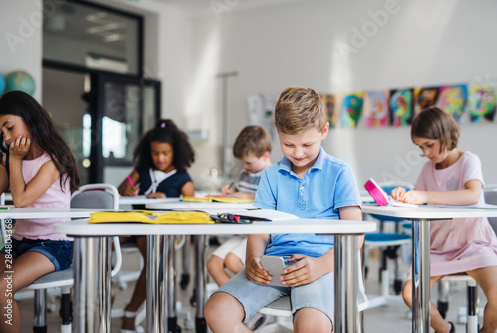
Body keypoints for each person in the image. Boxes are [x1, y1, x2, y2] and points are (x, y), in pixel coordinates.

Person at [204, 86, 363, 333]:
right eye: (289, 144)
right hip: (275, 266)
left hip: (322, 266)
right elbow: (260, 230)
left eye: (306, 144)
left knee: (312, 325)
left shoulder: (340, 173)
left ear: (324, 131)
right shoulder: (270, 176)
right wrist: (252, 259)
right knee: (216, 310)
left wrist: (320, 265)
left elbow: (356, 235)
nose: (298, 153)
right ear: (276, 129)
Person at [391, 106, 497, 333]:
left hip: (473, 244)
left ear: (446, 135)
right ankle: (444, 329)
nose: (426, 152)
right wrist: (404, 195)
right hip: (438, 248)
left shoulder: (469, 161)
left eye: (429, 145)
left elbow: (472, 195)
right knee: (411, 294)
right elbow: (417, 200)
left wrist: (425, 195)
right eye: (421, 147)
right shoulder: (428, 169)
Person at [0, 91, 80, 333]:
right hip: (18, 243)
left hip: (54, 245)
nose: (6, 136)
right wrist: (8, 159)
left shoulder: (53, 160)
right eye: (1, 132)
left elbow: (21, 200)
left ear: (30, 119)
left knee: (2, 288)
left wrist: (14, 159)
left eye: (9, 127)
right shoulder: (9, 157)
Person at [117, 118, 195, 332]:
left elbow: (191, 208)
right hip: (134, 222)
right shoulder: (142, 169)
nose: (159, 158)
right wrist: (128, 189)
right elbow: (122, 188)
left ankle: (130, 312)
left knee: (153, 262)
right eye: (155, 153)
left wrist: (166, 201)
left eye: (165, 153)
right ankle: (104, 293)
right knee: (101, 242)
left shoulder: (182, 178)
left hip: (155, 229)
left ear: (175, 153)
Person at [208, 125, 272, 287]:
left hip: (258, 233)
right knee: (213, 264)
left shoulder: (271, 175)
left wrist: (246, 196)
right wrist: (231, 192)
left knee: (232, 260)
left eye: (248, 162)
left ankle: (256, 299)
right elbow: (240, 192)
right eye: (243, 162)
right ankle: (238, 305)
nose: (244, 166)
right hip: (241, 230)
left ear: (265, 156)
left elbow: (271, 200)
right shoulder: (246, 174)